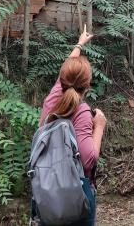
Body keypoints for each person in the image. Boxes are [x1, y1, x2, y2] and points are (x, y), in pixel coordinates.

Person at [37, 25, 106, 226]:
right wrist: (99, 126)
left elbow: (64, 73)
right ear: (87, 84)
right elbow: (88, 160)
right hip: (75, 194)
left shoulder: (51, 101)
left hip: (47, 192)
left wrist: (79, 44)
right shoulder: (82, 112)